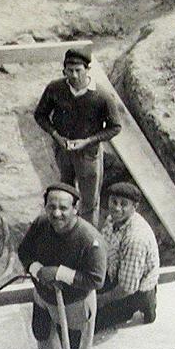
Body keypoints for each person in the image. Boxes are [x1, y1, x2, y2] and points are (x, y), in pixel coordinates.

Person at [17, 183, 106, 349]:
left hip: (74, 305)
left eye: (63, 208)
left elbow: (96, 279)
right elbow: (24, 251)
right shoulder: (41, 224)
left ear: (76, 209)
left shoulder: (89, 240)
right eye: (51, 207)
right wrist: (38, 270)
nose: (57, 213)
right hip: (43, 295)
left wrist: (59, 273)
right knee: (40, 331)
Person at [33, 48, 122, 227]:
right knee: (65, 193)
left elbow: (115, 127)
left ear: (87, 69)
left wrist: (88, 141)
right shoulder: (55, 89)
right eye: (69, 70)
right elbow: (40, 115)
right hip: (63, 151)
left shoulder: (101, 96)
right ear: (64, 70)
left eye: (78, 70)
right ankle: (66, 229)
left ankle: (87, 234)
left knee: (89, 201)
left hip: (88, 155)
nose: (73, 75)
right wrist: (56, 136)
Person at [96, 181, 160, 332]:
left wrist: (101, 300)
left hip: (135, 289)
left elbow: (127, 288)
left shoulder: (135, 239)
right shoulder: (113, 219)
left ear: (134, 207)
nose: (117, 208)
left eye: (123, 204)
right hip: (118, 271)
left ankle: (147, 304)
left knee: (91, 322)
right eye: (114, 202)